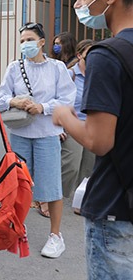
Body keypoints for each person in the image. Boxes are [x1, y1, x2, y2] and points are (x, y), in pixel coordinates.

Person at [53, 0, 133, 279]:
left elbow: (99, 140)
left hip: (115, 211)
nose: (79, 5)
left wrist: (64, 116)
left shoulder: (106, 55)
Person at [0, 22, 76, 259]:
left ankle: (55, 236)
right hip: (20, 134)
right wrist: (14, 102)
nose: (25, 45)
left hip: (47, 135)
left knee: (51, 187)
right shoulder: (14, 67)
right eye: (22, 41)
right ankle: (18, 228)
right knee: (18, 185)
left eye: (29, 40)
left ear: (41, 42)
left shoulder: (57, 68)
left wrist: (43, 107)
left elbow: (68, 99)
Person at [60, 40, 96, 200]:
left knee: (88, 169)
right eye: (90, 54)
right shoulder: (70, 75)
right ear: (79, 55)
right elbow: (58, 100)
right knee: (71, 166)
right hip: (73, 126)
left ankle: (80, 200)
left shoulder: (97, 76)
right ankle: (57, 199)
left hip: (92, 127)